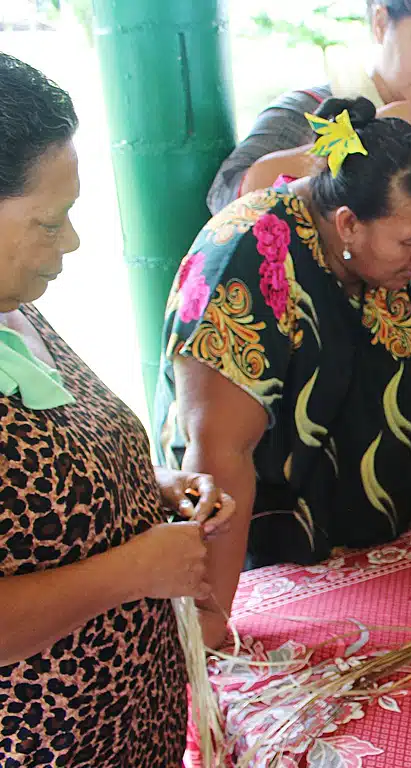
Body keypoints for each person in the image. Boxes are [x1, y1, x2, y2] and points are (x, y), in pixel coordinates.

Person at [154, 97, 411, 647]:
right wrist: (212, 615)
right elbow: (220, 452)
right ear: (349, 223)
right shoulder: (242, 256)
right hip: (255, 541)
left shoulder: (410, 239)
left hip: (370, 523)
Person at [207, 0, 411, 505]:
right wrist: (360, 140)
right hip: (364, 384)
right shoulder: (306, 113)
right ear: (381, 22)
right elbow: (235, 204)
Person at [0, 54, 236, 765]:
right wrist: (133, 570)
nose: (69, 242)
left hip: (126, 721)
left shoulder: (16, 311)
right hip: (47, 741)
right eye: (49, 221)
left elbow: (40, 480)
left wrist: (148, 487)